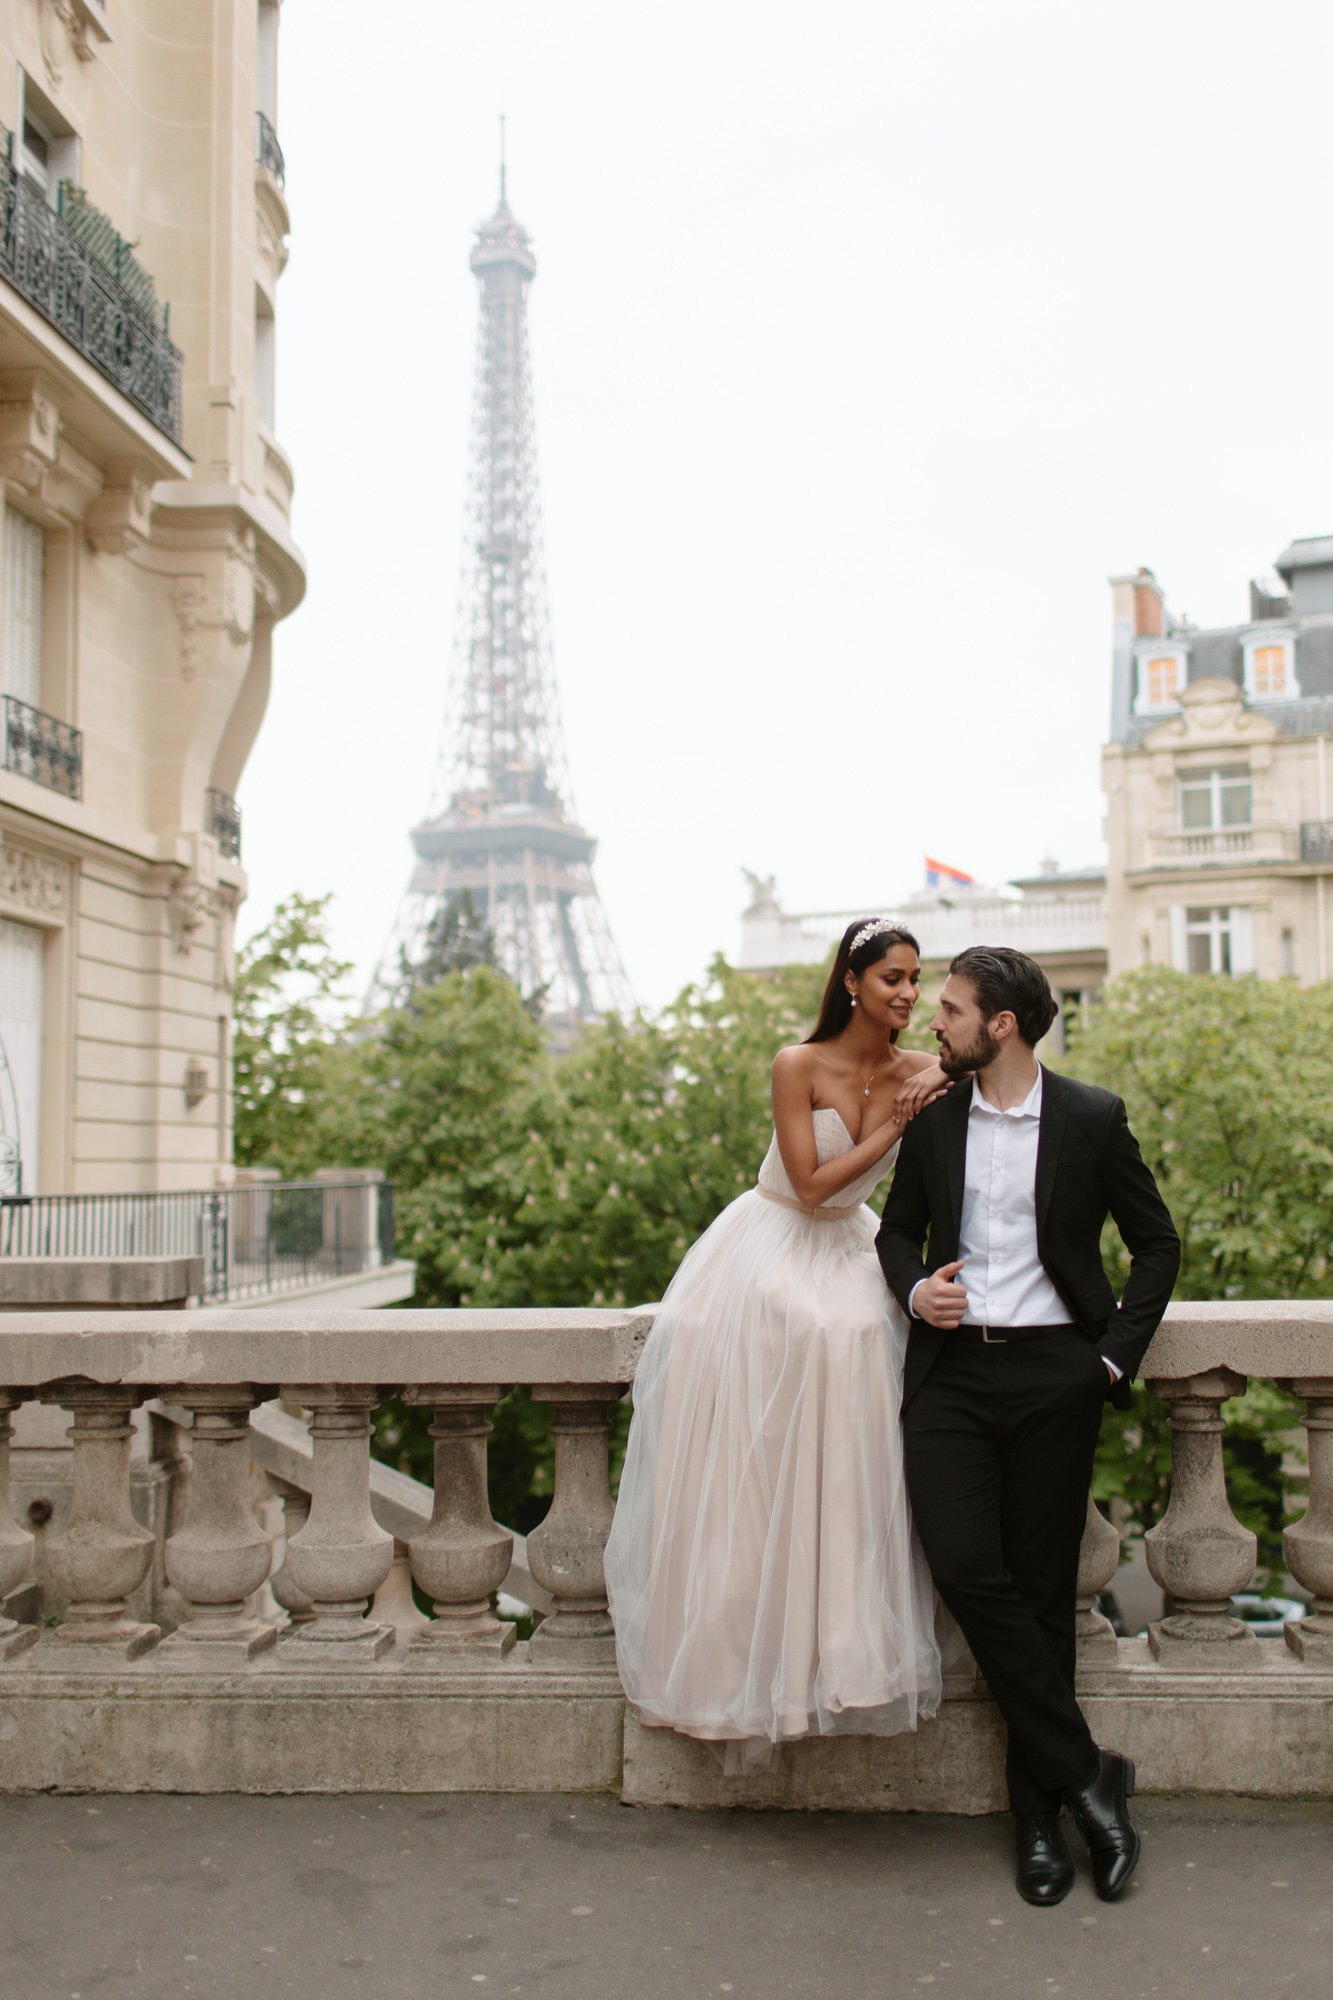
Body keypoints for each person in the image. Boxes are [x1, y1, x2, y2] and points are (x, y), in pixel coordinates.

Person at [605, 918, 949, 1772]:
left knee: (861, 1361)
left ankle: (844, 1652)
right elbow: (810, 1183)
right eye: (891, 979)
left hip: (852, 1252)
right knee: (777, 1423)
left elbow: (1001, 1071)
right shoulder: (796, 1064)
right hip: (774, 1244)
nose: (907, 993)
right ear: (850, 982)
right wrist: (897, 1126)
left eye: (916, 978)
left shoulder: (920, 1071)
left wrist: (935, 1078)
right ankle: (737, 1667)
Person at [876, 946, 1180, 1907]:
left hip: (1057, 1375)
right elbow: (894, 1232)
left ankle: (1038, 1827)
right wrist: (916, 1288)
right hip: (953, 1379)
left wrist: (1108, 1359)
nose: (936, 1020)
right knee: (964, 1565)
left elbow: (1155, 1244)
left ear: (1000, 1024)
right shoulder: (936, 1119)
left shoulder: (1090, 1117)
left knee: (1045, 1598)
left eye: (954, 1009)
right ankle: (1092, 1776)